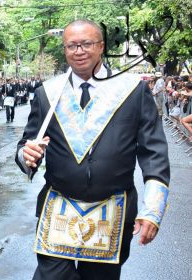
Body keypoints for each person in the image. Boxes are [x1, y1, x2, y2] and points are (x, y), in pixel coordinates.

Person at [15, 19, 170, 280]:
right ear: (65, 49)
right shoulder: (48, 94)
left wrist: (152, 210)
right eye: (71, 45)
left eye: (86, 44)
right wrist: (25, 155)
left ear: (101, 46)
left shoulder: (132, 91)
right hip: (59, 205)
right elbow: (27, 143)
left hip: (111, 209)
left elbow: (153, 153)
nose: (79, 51)